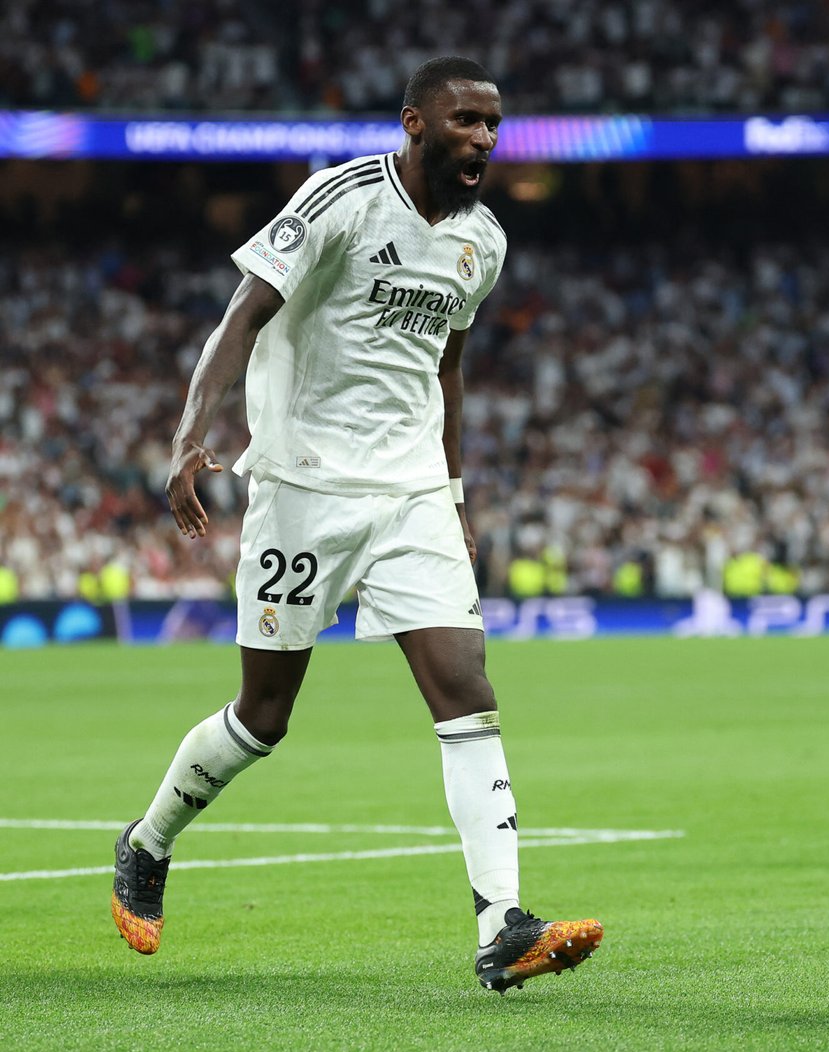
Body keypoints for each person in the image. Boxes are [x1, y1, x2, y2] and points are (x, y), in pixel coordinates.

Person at [111, 56, 603, 993]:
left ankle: (502, 925)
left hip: (411, 492)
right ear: (416, 123)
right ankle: (147, 840)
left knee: (465, 688)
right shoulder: (339, 200)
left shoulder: (483, 241)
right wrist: (188, 438)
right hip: (302, 487)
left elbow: (447, 367)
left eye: (494, 127)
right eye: (466, 121)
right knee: (264, 717)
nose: (484, 141)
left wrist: (454, 496)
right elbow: (241, 318)